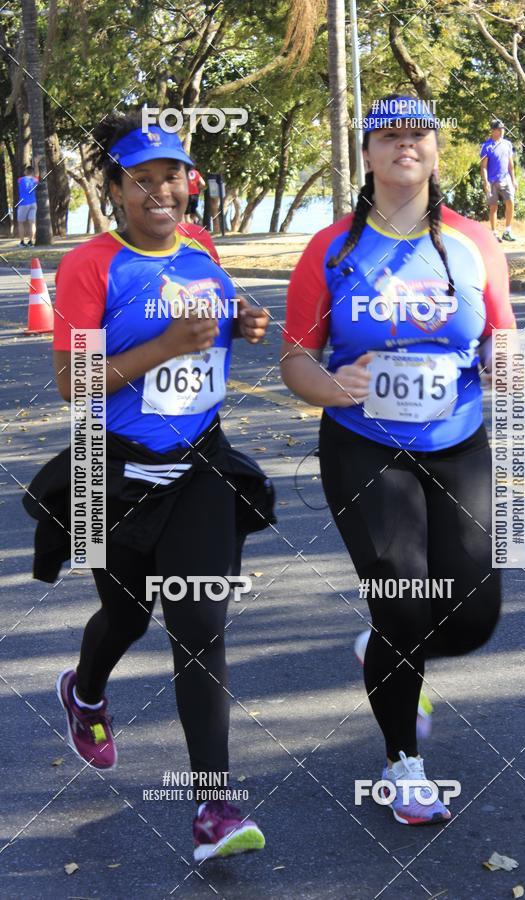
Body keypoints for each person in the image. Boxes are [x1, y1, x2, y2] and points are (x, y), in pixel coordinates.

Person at [22, 113, 272, 861]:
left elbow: (213, 326)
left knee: (199, 633)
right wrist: (165, 344)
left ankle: (215, 811)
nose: (162, 191)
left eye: (173, 176)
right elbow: (74, 384)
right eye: (143, 179)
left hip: (199, 466)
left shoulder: (201, 249)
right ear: (115, 191)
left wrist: (242, 321)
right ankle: (86, 691)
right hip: (108, 467)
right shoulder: (89, 267)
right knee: (125, 615)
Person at [281, 95, 516, 826]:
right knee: (404, 596)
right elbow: (294, 356)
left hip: (460, 441)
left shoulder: (475, 240)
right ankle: (402, 765)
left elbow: (501, 333)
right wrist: (327, 385)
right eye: (389, 134)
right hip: (363, 445)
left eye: (418, 133)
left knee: (475, 616)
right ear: (369, 154)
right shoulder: (331, 247)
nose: (404, 144)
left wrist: (505, 365)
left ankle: (385, 645)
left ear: (437, 151)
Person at [480, 119, 517, 242]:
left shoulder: (507, 144)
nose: (502, 131)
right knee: (493, 207)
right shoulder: (486, 146)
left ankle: (507, 231)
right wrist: (485, 182)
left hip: (506, 178)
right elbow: (484, 166)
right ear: (493, 130)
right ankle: (494, 233)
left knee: (510, 202)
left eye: (503, 129)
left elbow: (510, 164)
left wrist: (514, 179)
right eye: (499, 129)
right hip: (492, 180)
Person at [17, 158, 40, 246]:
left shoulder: (20, 180)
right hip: (33, 203)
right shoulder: (34, 180)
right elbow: (37, 174)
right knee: (32, 223)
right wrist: (36, 163)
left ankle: (22, 242)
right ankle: (31, 242)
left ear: (26, 172)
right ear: (32, 173)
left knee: (21, 222)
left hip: (23, 203)